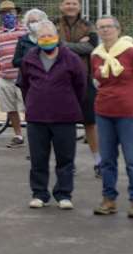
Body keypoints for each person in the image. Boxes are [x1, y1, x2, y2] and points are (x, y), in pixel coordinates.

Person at [18, 19, 87, 209]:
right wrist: (32, 103)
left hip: (64, 116)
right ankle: (39, 194)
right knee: (38, 158)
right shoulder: (29, 59)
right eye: (42, 36)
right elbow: (24, 85)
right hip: (37, 117)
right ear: (37, 39)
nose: (46, 39)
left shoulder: (71, 58)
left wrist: (69, 103)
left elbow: (80, 86)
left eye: (50, 35)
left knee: (65, 159)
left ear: (57, 37)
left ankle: (64, 194)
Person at [91, 15, 133, 217]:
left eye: (109, 26)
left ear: (118, 29)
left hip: (130, 113)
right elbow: (97, 82)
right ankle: (109, 199)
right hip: (104, 112)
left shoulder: (132, 52)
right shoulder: (96, 55)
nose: (105, 30)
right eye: (101, 27)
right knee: (107, 159)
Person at [54, 0, 100, 174]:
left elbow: (93, 47)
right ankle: (68, 163)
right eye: (67, 3)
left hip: (84, 79)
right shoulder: (53, 24)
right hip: (60, 80)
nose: (70, 6)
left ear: (79, 7)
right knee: (66, 124)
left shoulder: (88, 26)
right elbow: (52, 45)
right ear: (61, 6)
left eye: (74, 3)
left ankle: (98, 162)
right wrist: (79, 46)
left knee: (90, 123)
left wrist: (64, 45)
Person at [0, 1, 28, 147]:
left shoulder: (25, 31)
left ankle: (33, 135)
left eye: (10, 13)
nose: (8, 16)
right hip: (4, 77)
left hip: (23, 77)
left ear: (16, 14)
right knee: (11, 108)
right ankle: (18, 135)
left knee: (27, 107)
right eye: (4, 13)